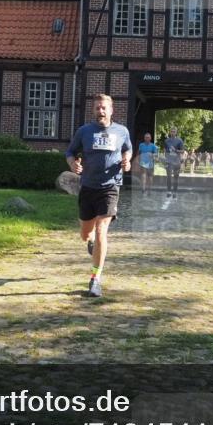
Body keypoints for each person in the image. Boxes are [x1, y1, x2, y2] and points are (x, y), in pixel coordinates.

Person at [65, 94, 132, 298]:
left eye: (104, 108)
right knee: (86, 233)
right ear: (93, 111)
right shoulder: (84, 131)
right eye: (97, 108)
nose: (100, 111)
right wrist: (73, 164)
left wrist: (126, 161)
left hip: (110, 187)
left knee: (102, 229)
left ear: (111, 111)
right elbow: (70, 152)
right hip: (88, 186)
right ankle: (90, 240)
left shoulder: (122, 131)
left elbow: (127, 149)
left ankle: (95, 278)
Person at [163, 126, 184, 199]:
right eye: (171, 131)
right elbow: (165, 151)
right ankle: (169, 191)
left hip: (176, 161)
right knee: (168, 177)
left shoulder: (179, 140)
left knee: (176, 178)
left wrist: (175, 150)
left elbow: (182, 151)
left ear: (176, 132)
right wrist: (165, 159)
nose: (172, 133)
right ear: (170, 132)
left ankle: (174, 192)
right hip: (169, 161)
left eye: (174, 131)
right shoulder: (166, 141)